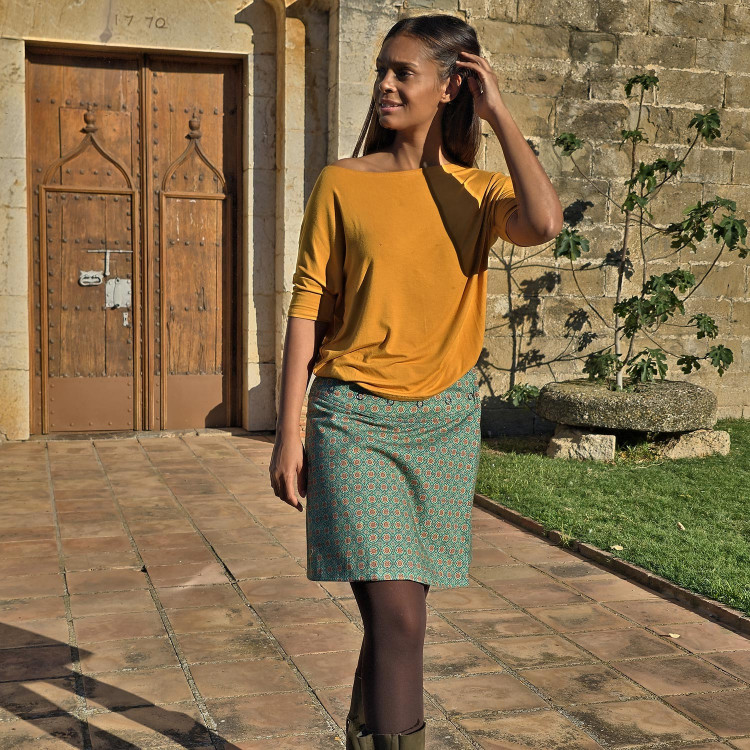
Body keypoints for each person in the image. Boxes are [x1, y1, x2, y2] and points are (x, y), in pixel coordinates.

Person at [269, 13, 563, 749]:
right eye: (383, 70)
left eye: (404, 72)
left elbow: (544, 222)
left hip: (445, 423)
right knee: (401, 617)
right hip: (353, 420)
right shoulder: (342, 182)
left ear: (450, 86)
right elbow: (307, 307)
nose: (386, 85)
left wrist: (499, 114)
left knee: (391, 619)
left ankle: (367, 735)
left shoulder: (479, 193)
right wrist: (288, 432)